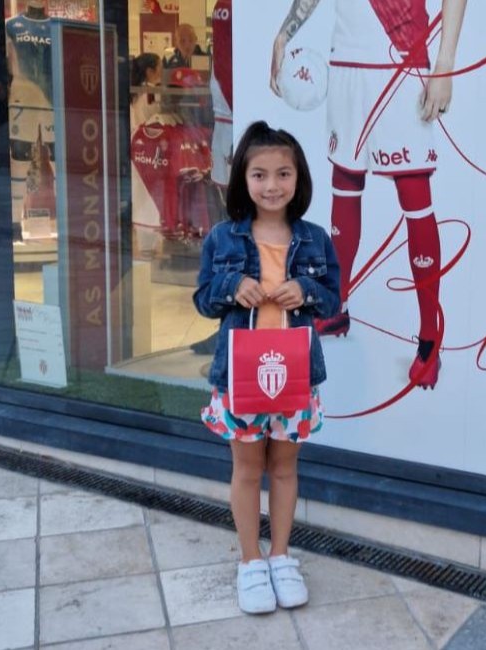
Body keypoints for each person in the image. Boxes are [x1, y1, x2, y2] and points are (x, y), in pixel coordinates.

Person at [269, 0, 467, 389]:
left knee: (415, 198)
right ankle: (336, 307)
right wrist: (284, 34)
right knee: (345, 187)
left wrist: (445, 65)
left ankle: (430, 339)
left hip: (400, 57)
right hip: (346, 61)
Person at [193, 121, 340, 614]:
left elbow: (333, 301)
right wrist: (230, 287)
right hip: (240, 376)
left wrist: (309, 291)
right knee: (246, 468)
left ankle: (280, 555)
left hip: (295, 375)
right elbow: (203, 301)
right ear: (243, 178)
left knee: (284, 467)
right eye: (259, 174)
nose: (272, 185)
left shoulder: (315, 239)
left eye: (283, 174)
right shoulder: (223, 238)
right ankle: (250, 562)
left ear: (299, 179)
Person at [129, 53, 162, 132]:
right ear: (149, 71)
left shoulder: (135, 91)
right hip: (148, 134)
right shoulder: (152, 93)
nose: (163, 70)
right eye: (160, 67)